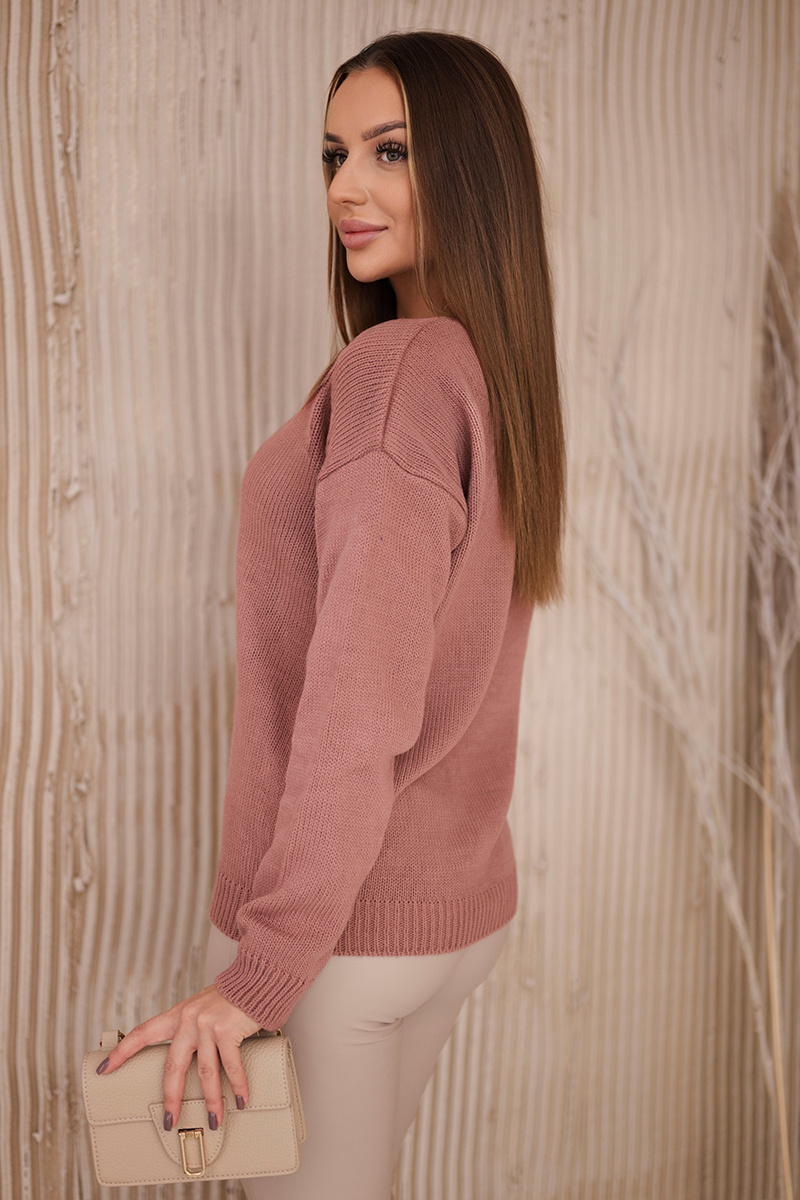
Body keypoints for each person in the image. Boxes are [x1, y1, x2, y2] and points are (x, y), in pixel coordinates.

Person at [94, 29, 566, 1200]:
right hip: (454, 914)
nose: (346, 187)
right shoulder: (489, 371)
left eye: (389, 151)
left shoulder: (396, 376)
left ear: (469, 171)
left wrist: (257, 976)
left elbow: (357, 707)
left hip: (339, 940)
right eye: (332, 155)